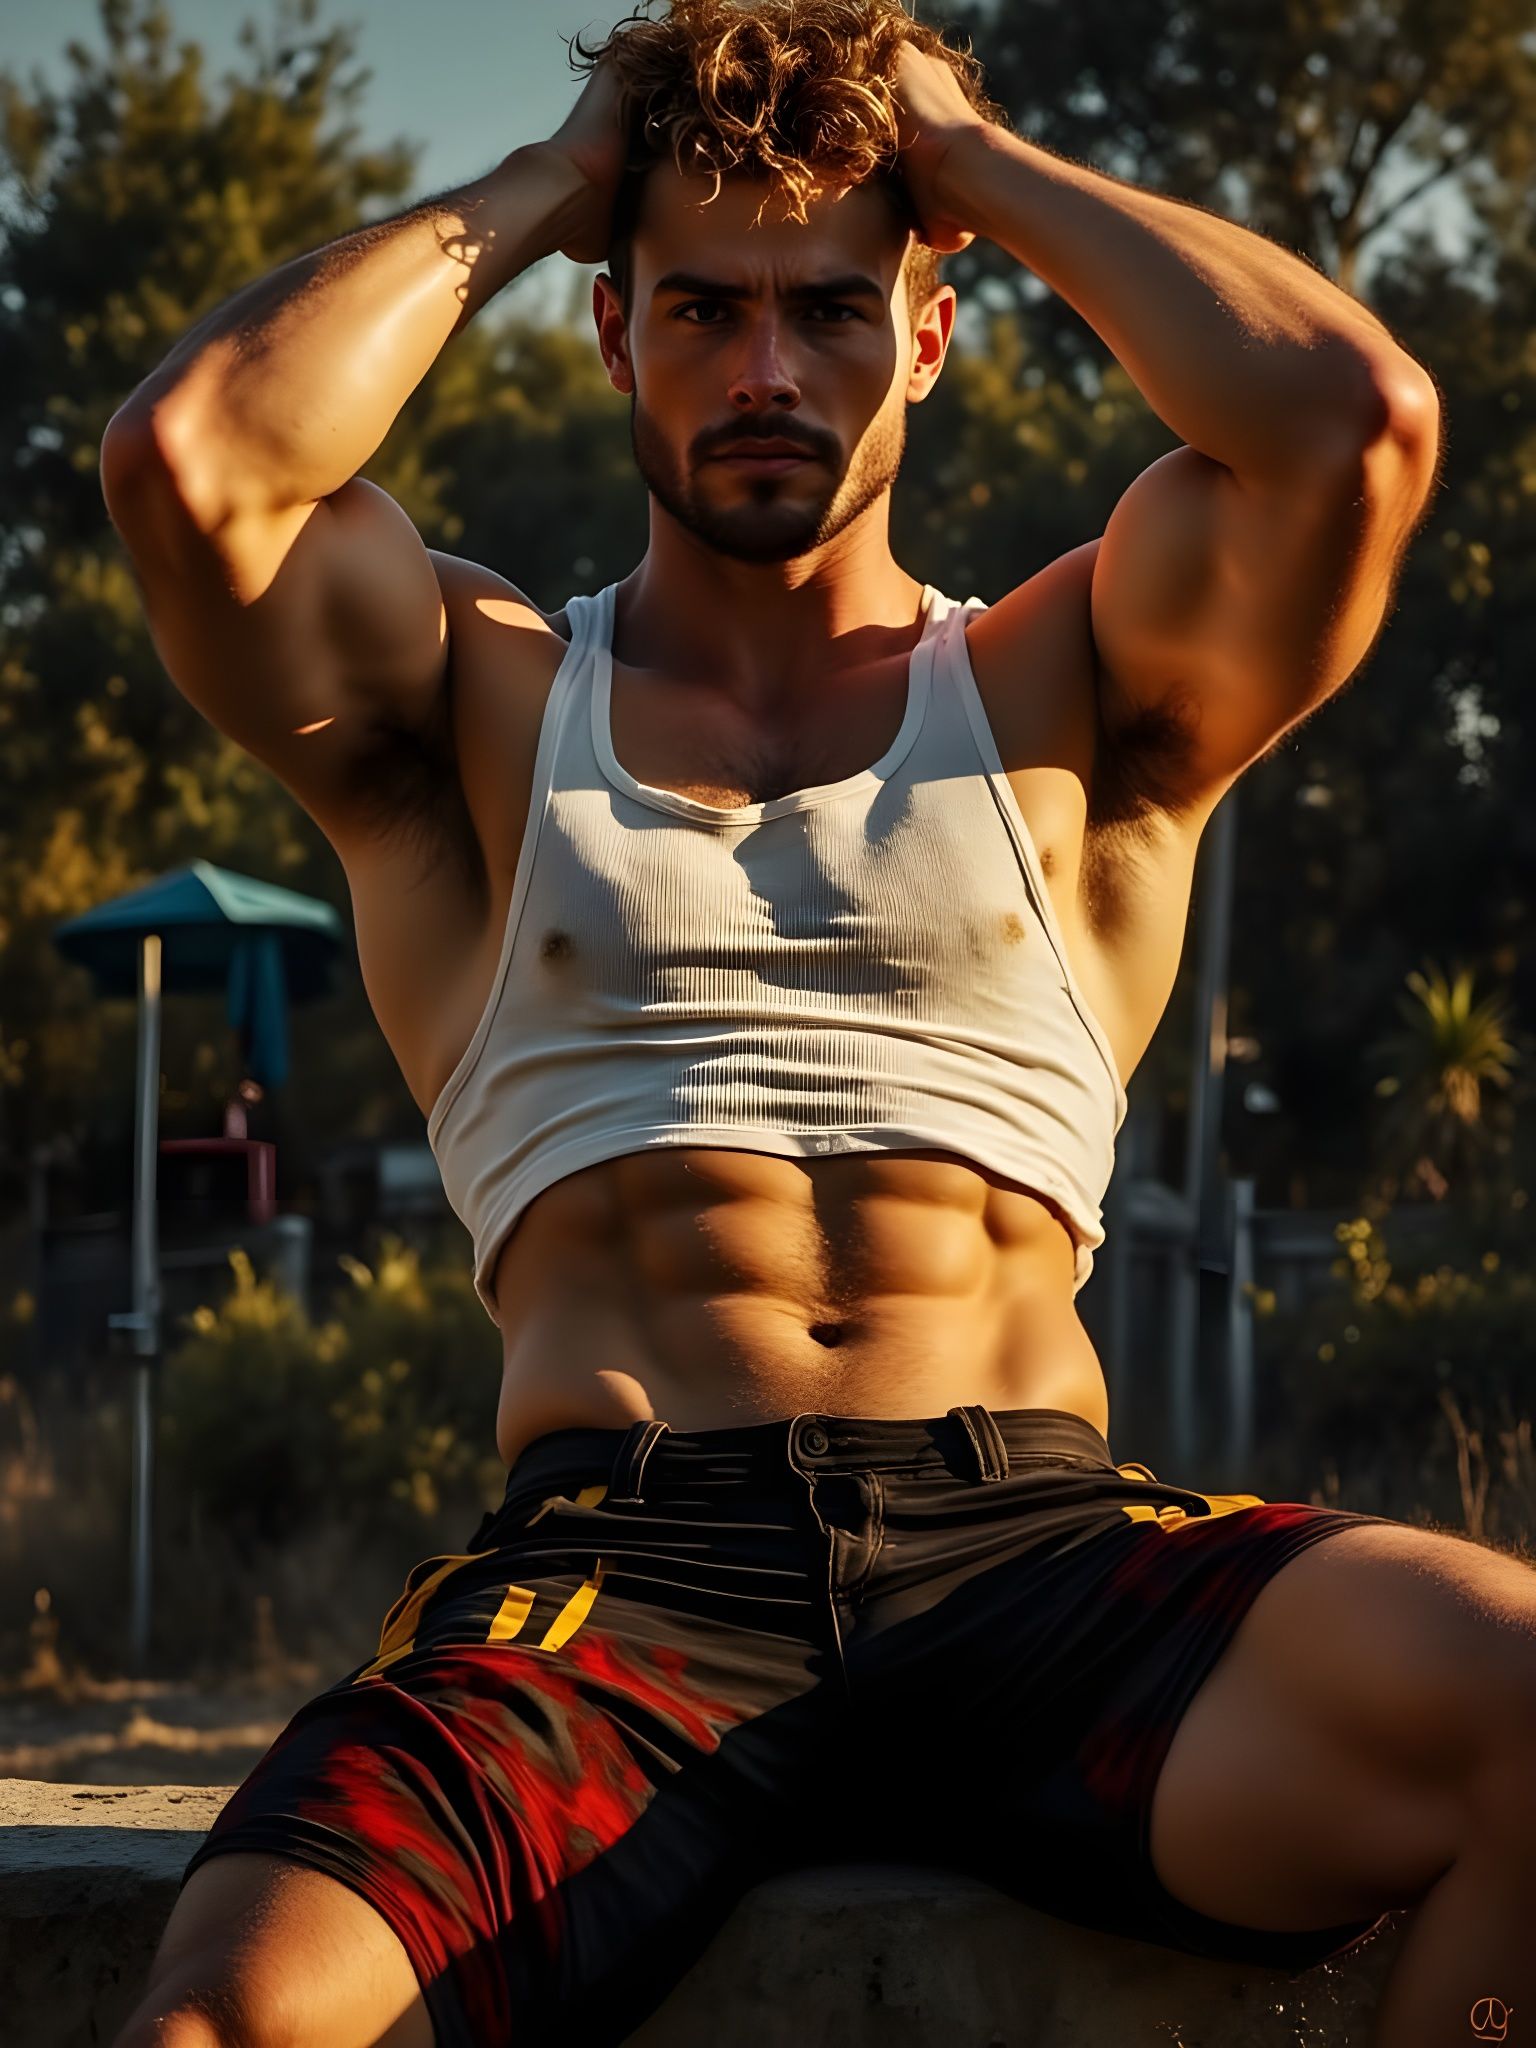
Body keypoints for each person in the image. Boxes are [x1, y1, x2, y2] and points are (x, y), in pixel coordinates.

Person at [98, 6, 1525, 2047]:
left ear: (928, 336)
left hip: (1035, 1560)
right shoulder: (484, 700)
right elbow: (194, 461)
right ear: (609, 336)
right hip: (623, 1586)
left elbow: (1357, 424)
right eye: (701, 307)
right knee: (224, 2023)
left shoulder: (1072, 690)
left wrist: (982, 158)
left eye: (836, 310)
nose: (769, 372)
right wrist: (554, 176)